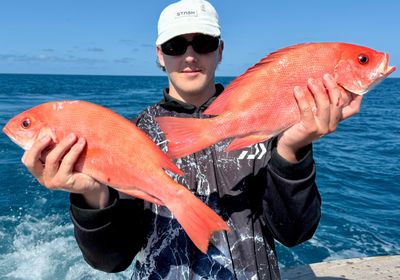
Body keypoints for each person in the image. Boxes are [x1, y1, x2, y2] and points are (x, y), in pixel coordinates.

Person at [21, 0, 363, 279]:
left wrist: (293, 148)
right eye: (175, 45)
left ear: (220, 50)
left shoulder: (267, 125)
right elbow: (111, 260)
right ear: (159, 54)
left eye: (202, 43)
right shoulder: (133, 134)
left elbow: (294, 234)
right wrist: (90, 195)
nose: (189, 56)